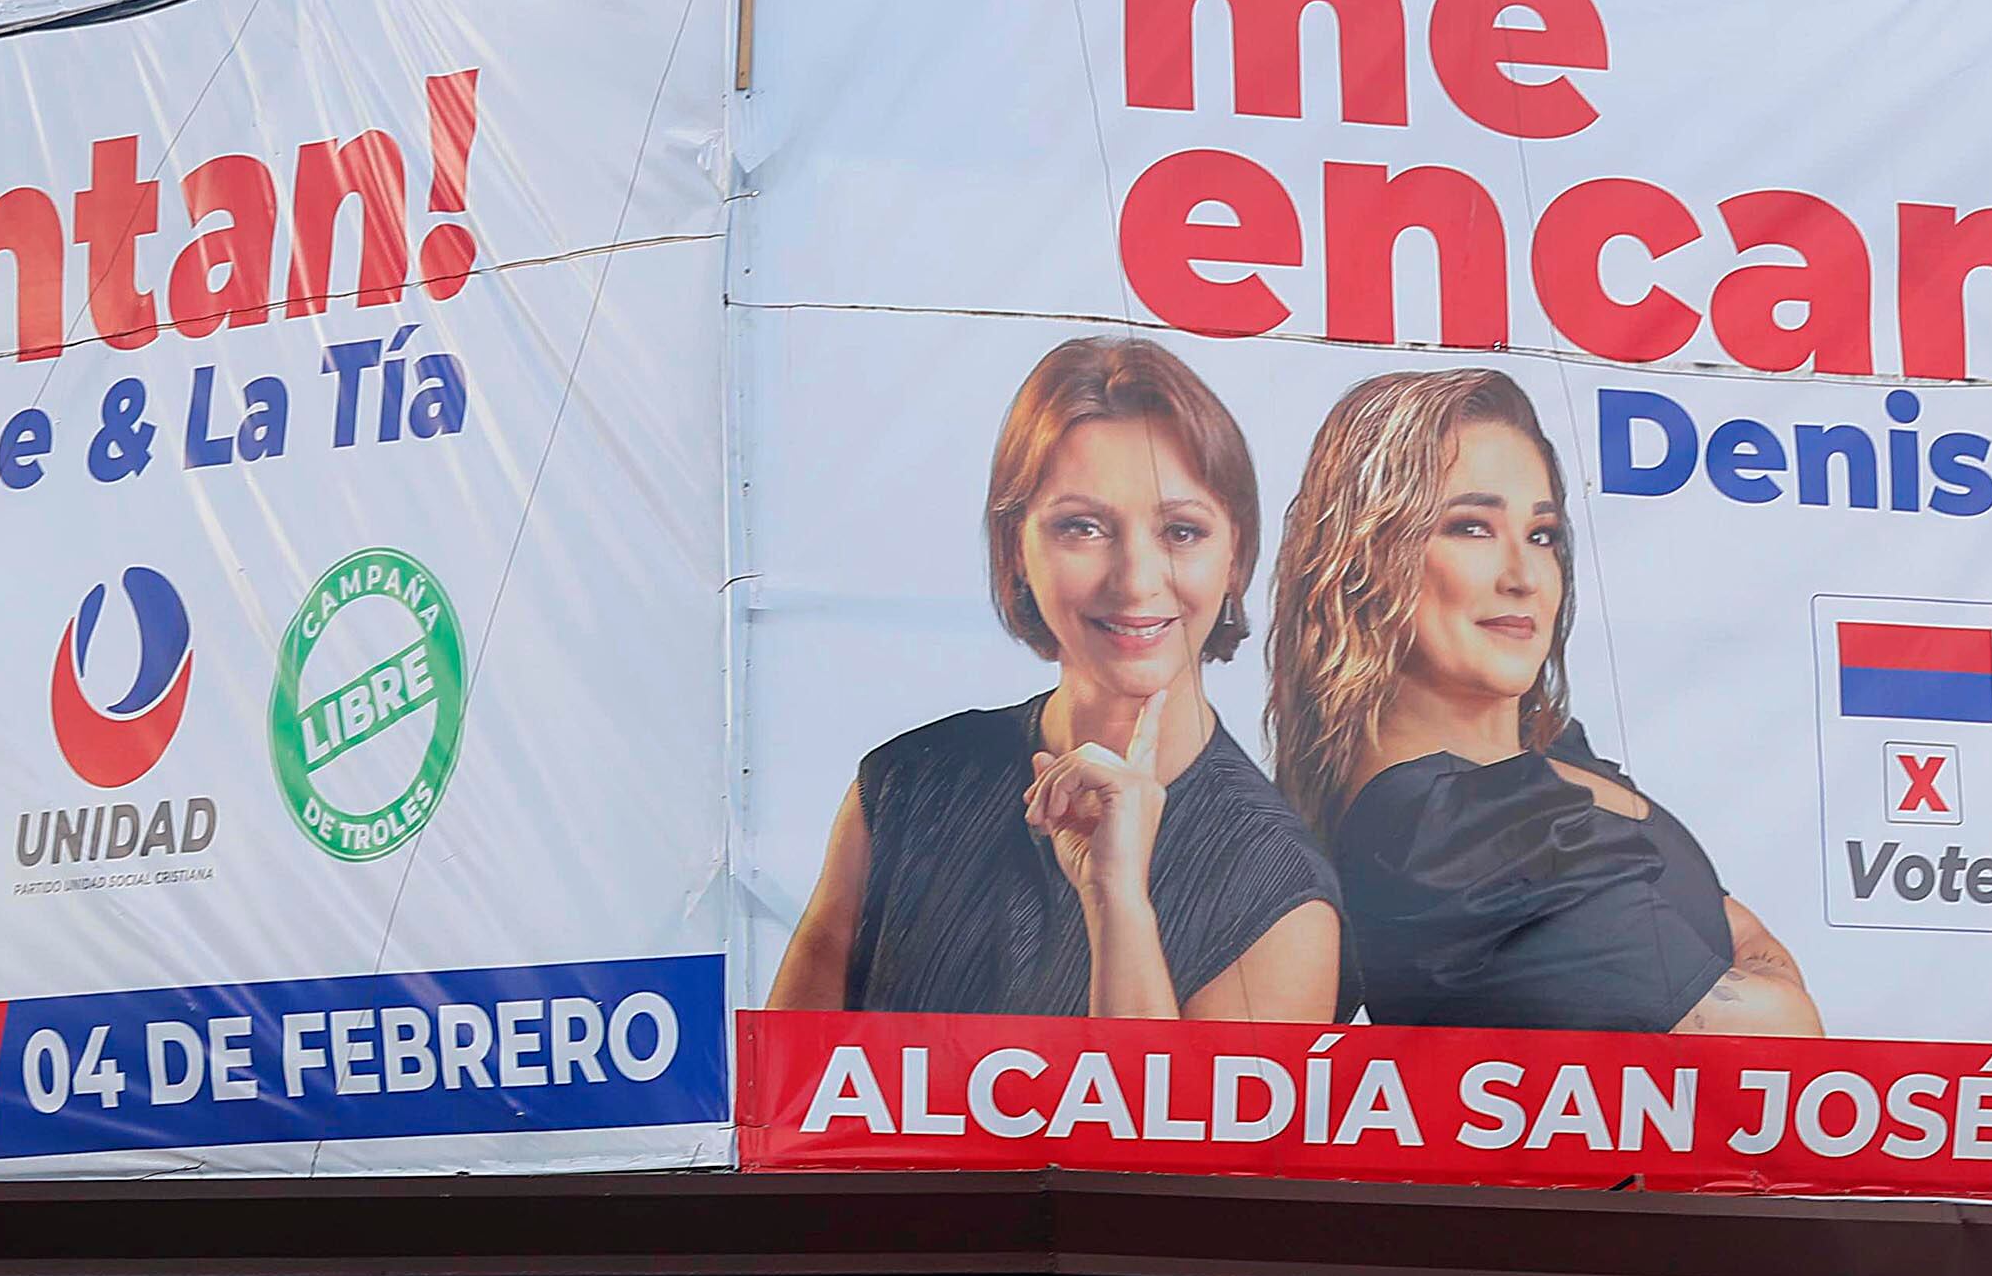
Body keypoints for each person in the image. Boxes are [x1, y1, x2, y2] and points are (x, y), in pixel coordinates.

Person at [768, 335, 1340, 1022]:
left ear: (1237, 557)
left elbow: (1172, 1132)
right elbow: (786, 1108)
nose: (1135, 580)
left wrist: (1116, 902)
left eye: (1181, 532)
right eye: (1084, 527)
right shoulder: (903, 786)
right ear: (1016, 547)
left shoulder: (1278, 889)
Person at [1266, 368, 1820, 1036]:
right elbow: (1777, 1035)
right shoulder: (1443, 832)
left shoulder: (1546, 754)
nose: (1524, 576)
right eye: (1471, 527)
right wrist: (1761, 967)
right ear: (1364, 558)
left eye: (1542, 535)